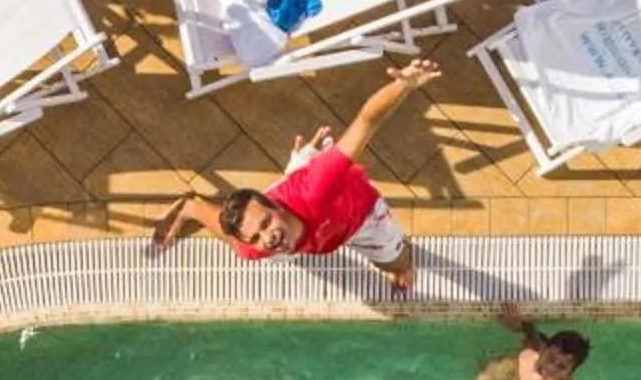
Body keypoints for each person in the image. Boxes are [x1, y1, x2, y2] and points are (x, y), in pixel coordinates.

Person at [146, 58, 445, 293]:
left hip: (360, 214)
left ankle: (397, 265)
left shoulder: (318, 186)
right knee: (251, 240)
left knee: (395, 260)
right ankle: (193, 204)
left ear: (275, 205)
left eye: (265, 223)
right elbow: (237, 239)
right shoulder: (254, 248)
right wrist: (194, 209)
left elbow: (366, 121)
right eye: (257, 237)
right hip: (312, 210)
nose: (269, 237)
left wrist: (404, 86)